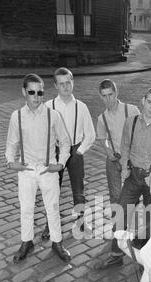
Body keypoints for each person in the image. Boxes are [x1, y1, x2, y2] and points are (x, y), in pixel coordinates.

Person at [94, 87, 151, 270]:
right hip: (133, 176)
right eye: (149, 102)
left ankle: (146, 259)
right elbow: (125, 146)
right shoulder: (130, 122)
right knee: (120, 214)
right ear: (143, 100)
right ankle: (116, 255)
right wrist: (124, 167)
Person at [5, 73, 71, 263]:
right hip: (26, 170)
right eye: (32, 92)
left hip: (47, 169)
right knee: (26, 208)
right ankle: (27, 241)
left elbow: (65, 142)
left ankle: (57, 242)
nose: (36, 96)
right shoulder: (16, 116)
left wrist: (60, 163)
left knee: (53, 207)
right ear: (24, 92)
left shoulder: (53, 115)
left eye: (40, 92)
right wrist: (11, 161)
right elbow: (11, 142)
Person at [42, 67, 96, 239]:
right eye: (61, 84)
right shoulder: (48, 106)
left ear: (73, 82)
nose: (66, 87)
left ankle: (80, 222)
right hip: (55, 152)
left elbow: (91, 134)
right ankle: (50, 225)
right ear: (55, 86)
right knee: (52, 190)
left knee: (78, 190)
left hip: (75, 150)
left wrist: (79, 152)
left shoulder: (81, 107)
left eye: (68, 82)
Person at [96, 79, 140, 205]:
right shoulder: (102, 118)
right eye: (104, 96)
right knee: (115, 196)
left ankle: (131, 222)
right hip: (114, 159)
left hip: (132, 159)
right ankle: (118, 224)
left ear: (116, 93)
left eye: (110, 95)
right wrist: (107, 151)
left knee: (132, 197)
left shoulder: (131, 110)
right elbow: (101, 137)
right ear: (100, 96)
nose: (108, 99)